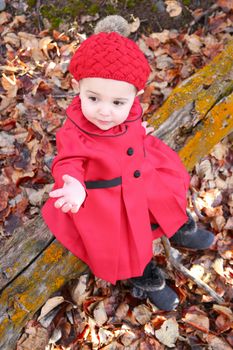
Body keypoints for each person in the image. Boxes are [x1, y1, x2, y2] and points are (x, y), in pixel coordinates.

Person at [42, 16, 214, 311]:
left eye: (117, 103)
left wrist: (137, 131)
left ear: (136, 95)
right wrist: (73, 184)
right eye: (93, 98)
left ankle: (180, 228)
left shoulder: (129, 106)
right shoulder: (76, 129)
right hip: (109, 196)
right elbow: (67, 160)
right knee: (126, 243)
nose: (105, 112)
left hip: (142, 174)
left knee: (165, 197)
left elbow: (131, 120)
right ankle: (146, 279)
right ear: (77, 86)